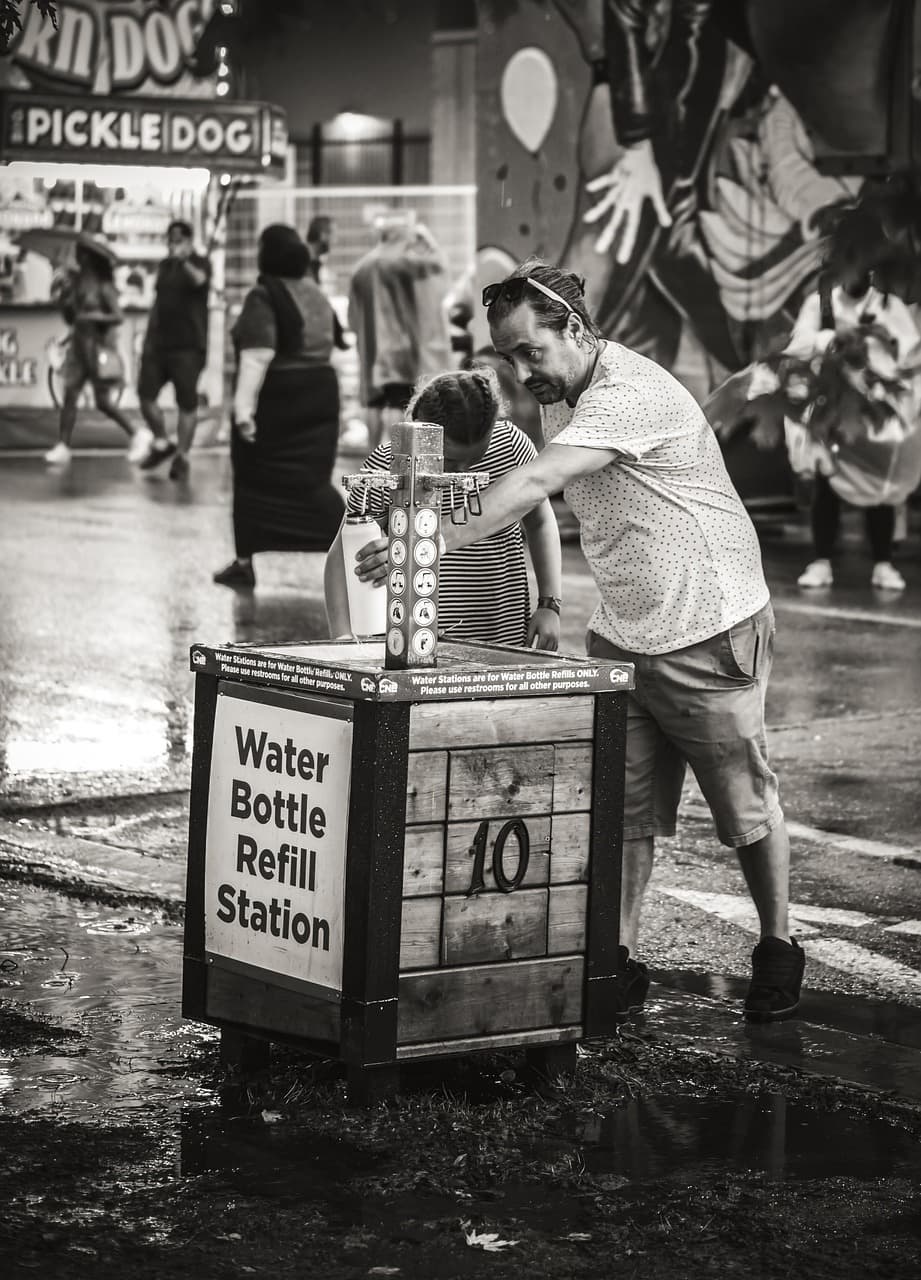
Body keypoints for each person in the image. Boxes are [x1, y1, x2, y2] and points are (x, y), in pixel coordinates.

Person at [355, 260, 805, 1024]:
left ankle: (778, 945)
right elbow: (501, 482)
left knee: (744, 807)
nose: (522, 371)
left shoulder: (624, 395)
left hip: (706, 624)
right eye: (508, 357)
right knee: (623, 813)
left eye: (531, 351)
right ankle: (619, 961)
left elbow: (532, 490)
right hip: (625, 632)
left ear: (576, 329)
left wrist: (418, 543)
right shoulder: (561, 391)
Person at [324, 365, 562, 650]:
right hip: (414, 640)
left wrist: (550, 603)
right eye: (448, 460)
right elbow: (341, 557)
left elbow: (540, 522)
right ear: (417, 427)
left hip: (503, 633)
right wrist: (342, 637)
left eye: (475, 458)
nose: (461, 471)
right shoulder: (389, 464)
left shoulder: (510, 446)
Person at [213, 224, 346, 590]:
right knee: (310, 480)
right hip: (319, 396)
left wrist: (243, 412)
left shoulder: (264, 295)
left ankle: (245, 562)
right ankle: (350, 546)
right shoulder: (315, 293)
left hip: (277, 400)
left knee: (254, 479)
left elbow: (257, 356)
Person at [783, 270, 921, 592]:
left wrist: (882, 336)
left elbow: (910, 353)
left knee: (880, 488)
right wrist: (832, 338)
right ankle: (821, 561)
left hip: (876, 409)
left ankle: (883, 563)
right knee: (827, 482)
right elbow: (798, 345)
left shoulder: (889, 306)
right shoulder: (821, 304)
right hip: (834, 407)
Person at [43, 231, 147, 466]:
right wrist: (65, 299)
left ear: (88, 257)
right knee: (70, 394)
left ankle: (137, 433)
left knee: (103, 402)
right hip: (78, 346)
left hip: (97, 348)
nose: (77, 257)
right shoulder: (76, 283)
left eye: (80, 253)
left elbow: (117, 316)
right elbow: (70, 317)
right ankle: (63, 444)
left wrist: (92, 315)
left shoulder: (104, 286)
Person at [137, 220, 211, 481]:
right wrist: (148, 338)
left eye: (179, 240)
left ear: (189, 242)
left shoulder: (200, 263)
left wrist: (184, 261)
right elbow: (158, 302)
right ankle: (161, 441)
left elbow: (200, 281)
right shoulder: (164, 267)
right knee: (145, 396)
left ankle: (182, 456)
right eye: (170, 240)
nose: (173, 244)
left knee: (186, 403)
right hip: (159, 345)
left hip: (189, 346)